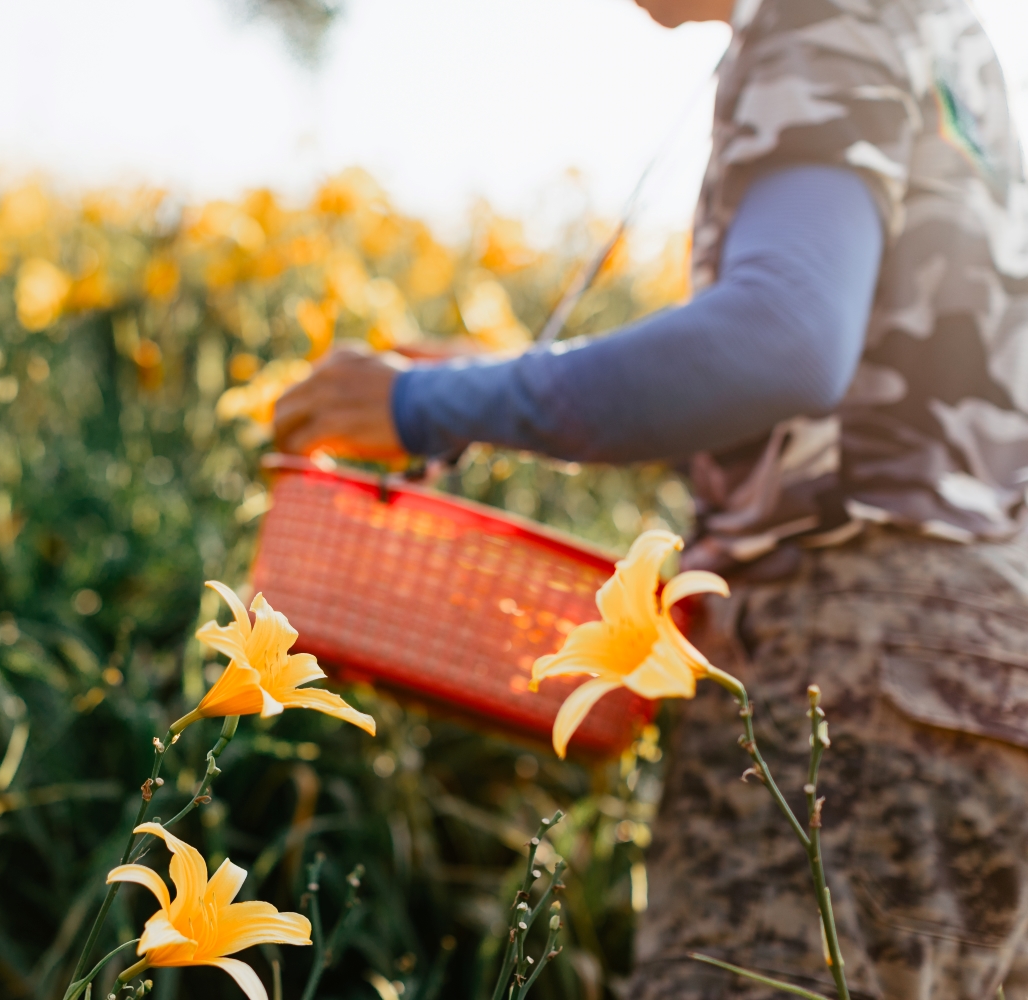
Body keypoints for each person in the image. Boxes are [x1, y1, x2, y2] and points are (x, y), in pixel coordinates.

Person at [272, 0, 1028, 996]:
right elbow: (880, 408)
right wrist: (494, 382)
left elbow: (785, 338)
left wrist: (427, 403)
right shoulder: (926, 25)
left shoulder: (816, 14)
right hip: (981, 664)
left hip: (844, 668)